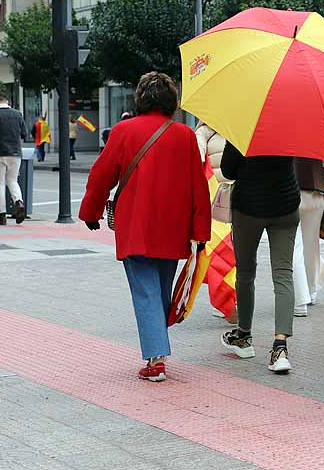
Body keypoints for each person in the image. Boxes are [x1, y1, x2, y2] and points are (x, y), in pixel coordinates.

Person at [78, 72, 210, 382]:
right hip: (174, 226)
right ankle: (158, 346)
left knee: (146, 291)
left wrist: (91, 212)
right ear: (172, 101)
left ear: (141, 98)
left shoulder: (124, 131)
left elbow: (101, 176)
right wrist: (201, 231)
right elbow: (198, 188)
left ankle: (156, 359)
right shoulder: (185, 135)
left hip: (136, 225)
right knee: (160, 289)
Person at [220, 140, 300, 375]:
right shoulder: (290, 127)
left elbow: (227, 170)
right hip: (286, 206)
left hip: (249, 208)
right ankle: (280, 347)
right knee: (283, 274)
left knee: (245, 272)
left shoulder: (241, 127)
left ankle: (243, 336)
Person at [196, 121, 238, 325]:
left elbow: (196, 157)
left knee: (219, 250)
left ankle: (224, 299)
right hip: (238, 195)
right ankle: (231, 298)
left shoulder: (203, 131)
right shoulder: (239, 127)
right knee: (236, 249)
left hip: (215, 199)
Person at [292, 157, 324, 316]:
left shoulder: (278, 134)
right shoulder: (318, 133)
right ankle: (311, 291)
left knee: (294, 248)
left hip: (289, 193)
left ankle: (299, 301)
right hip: (316, 191)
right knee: (311, 246)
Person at [0, 92, 27, 226]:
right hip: (15, 153)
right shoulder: (18, 114)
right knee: (13, 180)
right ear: (7, 101)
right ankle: (18, 201)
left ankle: (1, 215)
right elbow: (24, 134)